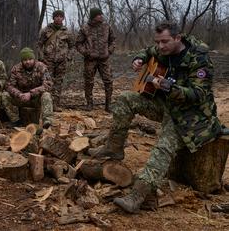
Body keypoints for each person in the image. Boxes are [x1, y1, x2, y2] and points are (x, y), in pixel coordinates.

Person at [88, 22, 222, 213]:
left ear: (178, 38)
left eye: (164, 42)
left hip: (191, 115)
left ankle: (138, 194)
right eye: (157, 42)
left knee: (163, 146)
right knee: (126, 99)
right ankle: (114, 147)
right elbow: (148, 51)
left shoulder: (199, 58)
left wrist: (169, 87)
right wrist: (139, 59)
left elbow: (198, 95)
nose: (160, 46)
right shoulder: (162, 49)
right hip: (166, 105)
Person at [76, 8, 115, 111]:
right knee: (89, 82)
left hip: (104, 59)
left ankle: (108, 105)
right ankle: (89, 104)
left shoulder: (107, 27)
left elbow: (112, 40)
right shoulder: (85, 28)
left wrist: (109, 51)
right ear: (93, 16)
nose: (101, 16)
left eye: (101, 14)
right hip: (90, 60)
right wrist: (86, 52)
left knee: (108, 81)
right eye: (99, 15)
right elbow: (78, 44)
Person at [5, 48, 54, 128]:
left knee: (46, 95)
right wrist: (19, 94)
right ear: (21, 60)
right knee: (5, 95)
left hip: (36, 98)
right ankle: (15, 120)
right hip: (21, 98)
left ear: (34, 59)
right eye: (25, 60)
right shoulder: (16, 69)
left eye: (30, 59)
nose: (28, 62)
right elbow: (9, 85)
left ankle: (47, 121)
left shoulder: (41, 67)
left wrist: (31, 93)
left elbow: (48, 84)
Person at [36, 10, 75, 108]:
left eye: (60, 16)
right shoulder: (46, 30)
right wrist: (41, 58)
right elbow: (39, 45)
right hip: (48, 61)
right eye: (56, 16)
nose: (58, 18)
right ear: (53, 18)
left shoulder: (67, 32)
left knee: (59, 82)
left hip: (61, 61)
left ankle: (55, 104)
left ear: (63, 18)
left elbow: (72, 46)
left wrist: (69, 57)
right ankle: (47, 104)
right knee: (47, 81)